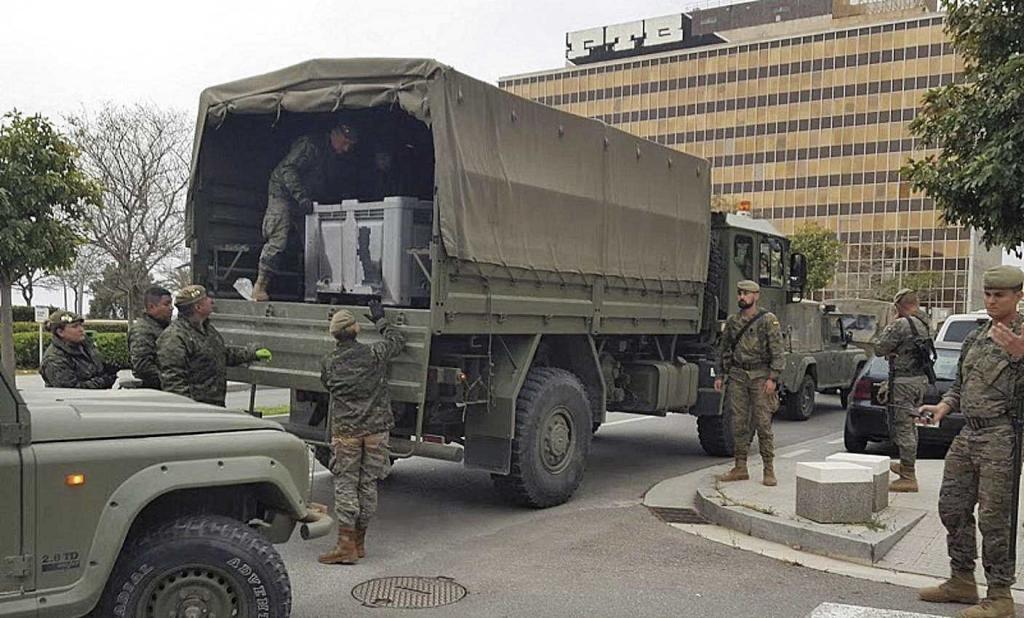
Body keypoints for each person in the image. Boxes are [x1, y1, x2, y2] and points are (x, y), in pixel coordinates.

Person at [917, 265, 1024, 618]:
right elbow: (962, 386)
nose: (992, 301)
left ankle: (1000, 595)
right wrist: (943, 407)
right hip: (969, 433)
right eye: (988, 294)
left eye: (1000, 295)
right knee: (952, 506)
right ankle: (961, 579)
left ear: (1018, 296)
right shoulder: (977, 337)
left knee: (996, 518)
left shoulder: (1022, 335)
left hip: (1002, 435)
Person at [318, 300, 406, 565]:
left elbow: (327, 385)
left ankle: (345, 546)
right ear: (356, 329)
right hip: (377, 431)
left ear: (334, 334)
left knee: (346, 484)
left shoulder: (329, 362)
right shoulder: (373, 354)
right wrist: (381, 320)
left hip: (346, 432)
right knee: (368, 485)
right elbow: (397, 341)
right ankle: (359, 542)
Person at [252, 123, 359, 302]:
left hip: (305, 200)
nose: (346, 149)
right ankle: (260, 287)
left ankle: (314, 291)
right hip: (284, 194)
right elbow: (288, 169)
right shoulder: (310, 145)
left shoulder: (332, 155)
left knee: (314, 245)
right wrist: (300, 196)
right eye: (345, 143)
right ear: (335, 134)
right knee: (279, 240)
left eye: (350, 145)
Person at [713, 280, 785, 486]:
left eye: (746, 293)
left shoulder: (767, 321)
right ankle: (740, 466)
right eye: (739, 293)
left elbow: (777, 352)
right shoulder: (733, 322)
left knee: (763, 423)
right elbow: (723, 348)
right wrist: (720, 375)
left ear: (756, 295)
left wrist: (773, 378)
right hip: (737, 374)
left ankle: (768, 469)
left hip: (760, 376)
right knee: (738, 422)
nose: (741, 297)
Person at [156, 285, 271, 406]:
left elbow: (222, 354)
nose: (211, 300)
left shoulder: (207, 330)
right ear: (198, 307)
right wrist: (190, 410)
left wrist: (252, 354)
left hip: (214, 405)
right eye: (206, 298)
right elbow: (174, 382)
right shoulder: (174, 338)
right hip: (196, 410)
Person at [872, 288, 930, 492]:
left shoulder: (901, 324)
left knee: (903, 427)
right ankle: (907, 465)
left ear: (898, 306)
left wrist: (891, 322)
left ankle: (908, 476)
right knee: (911, 425)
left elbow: (879, 348)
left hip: (903, 383)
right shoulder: (924, 322)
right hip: (918, 381)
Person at [40, 310, 120, 389]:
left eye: (81, 325)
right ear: (60, 332)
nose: (81, 329)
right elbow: (72, 389)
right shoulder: (54, 359)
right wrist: (103, 381)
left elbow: (99, 367)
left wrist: (109, 370)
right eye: (75, 326)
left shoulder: (86, 346)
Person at [129, 286, 173, 390]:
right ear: (152, 306)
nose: (171, 308)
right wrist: (171, 381)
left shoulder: (165, 327)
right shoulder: (142, 330)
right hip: (155, 391)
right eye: (166, 304)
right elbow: (143, 367)